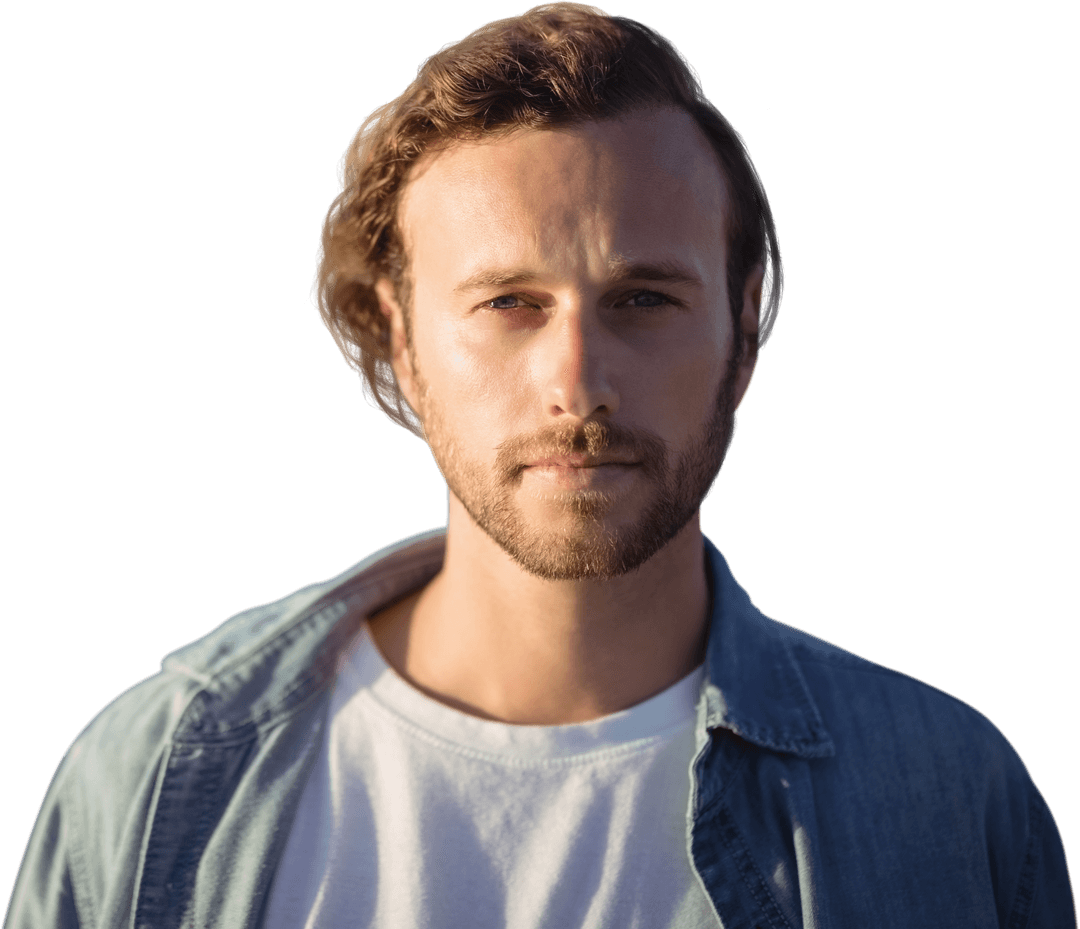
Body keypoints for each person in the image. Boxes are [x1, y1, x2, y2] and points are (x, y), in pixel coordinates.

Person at [7, 4, 1074, 927]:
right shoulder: (157, 776)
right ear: (403, 340)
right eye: (509, 302)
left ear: (747, 328)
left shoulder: (947, 796)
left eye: (644, 299)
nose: (579, 382)